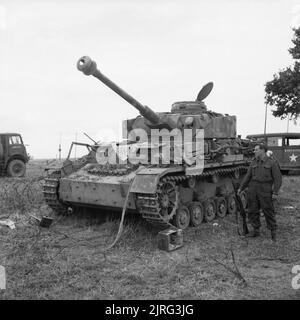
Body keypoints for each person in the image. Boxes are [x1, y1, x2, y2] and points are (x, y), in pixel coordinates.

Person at [238, 143, 282, 241]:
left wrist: (275, 192)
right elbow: (248, 176)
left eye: (256, 150)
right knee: (252, 210)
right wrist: (241, 188)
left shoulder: (271, 163)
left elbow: (278, 179)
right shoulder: (253, 162)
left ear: (262, 150)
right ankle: (256, 230)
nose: (255, 151)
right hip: (253, 189)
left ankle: (273, 232)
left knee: (268, 211)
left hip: (265, 189)